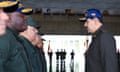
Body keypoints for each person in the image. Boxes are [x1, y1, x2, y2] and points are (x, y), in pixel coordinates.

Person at [0, 2, 33, 72]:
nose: (25, 18)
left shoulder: (13, 38)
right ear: (9, 17)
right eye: (21, 15)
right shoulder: (5, 38)